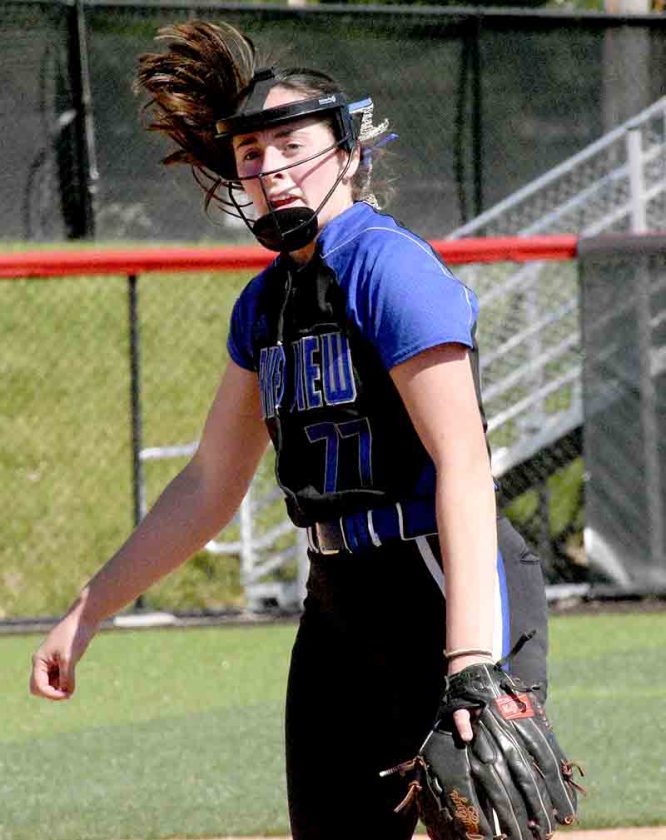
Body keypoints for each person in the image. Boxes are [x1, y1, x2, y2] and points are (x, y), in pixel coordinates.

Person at [30, 21, 549, 840]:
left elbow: (462, 463)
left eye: (291, 145)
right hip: (338, 602)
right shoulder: (264, 304)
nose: (269, 168)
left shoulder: (386, 265)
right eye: (250, 154)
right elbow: (210, 482)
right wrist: (88, 610)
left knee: (480, 821)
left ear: (348, 151)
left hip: (438, 580)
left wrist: (471, 659)